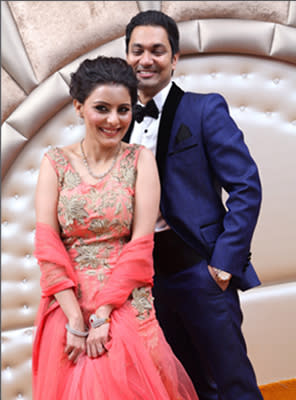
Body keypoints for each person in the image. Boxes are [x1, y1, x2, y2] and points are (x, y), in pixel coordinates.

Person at [32, 56, 198, 399]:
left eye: (123, 110)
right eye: (102, 108)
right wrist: (76, 320)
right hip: (67, 300)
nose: (114, 120)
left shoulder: (139, 160)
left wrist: (104, 314)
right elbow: (48, 245)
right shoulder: (55, 162)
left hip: (125, 297)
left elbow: (141, 243)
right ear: (79, 107)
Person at [122, 10, 263, 400]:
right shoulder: (119, 121)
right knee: (182, 383)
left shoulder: (204, 109)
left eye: (157, 50)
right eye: (138, 51)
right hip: (147, 278)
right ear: (128, 56)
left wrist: (222, 265)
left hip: (200, 269)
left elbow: (246, 186)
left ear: (175, 57)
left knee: (232, 382)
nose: (146, 59)